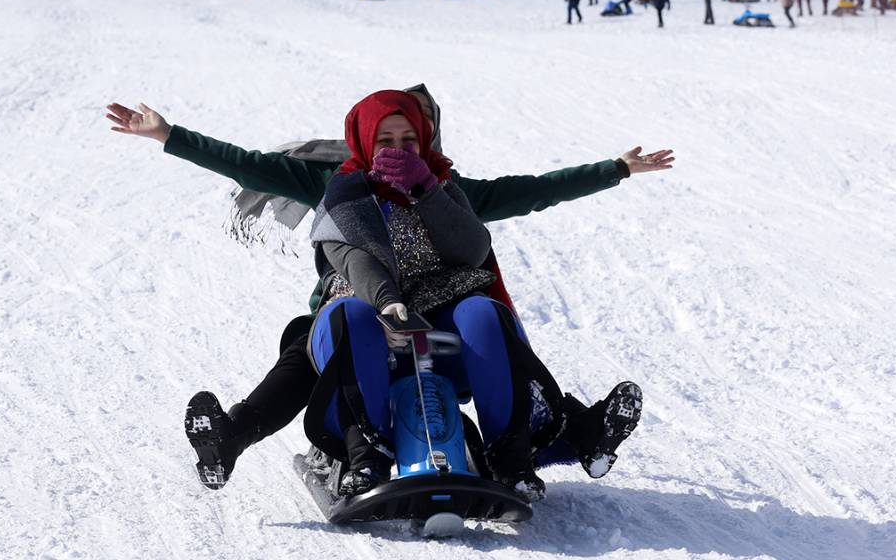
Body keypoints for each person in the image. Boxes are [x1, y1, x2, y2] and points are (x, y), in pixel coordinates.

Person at [105, 87, 673, 497]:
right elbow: (247, 165)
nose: (399, 148)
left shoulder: (445, 186)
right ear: (364, 139)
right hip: (357, 316)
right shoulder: (333, 183)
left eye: (409, 138)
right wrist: (168, 135)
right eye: (386, 139)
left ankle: (531, 446)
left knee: (487, 317)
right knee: (318, 342)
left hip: (440, 323)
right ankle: (251, 437)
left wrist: (614, 169)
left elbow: (531, 191)